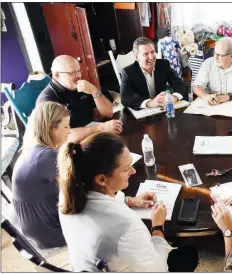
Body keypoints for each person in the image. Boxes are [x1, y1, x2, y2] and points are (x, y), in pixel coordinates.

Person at [57, 133, 198, 272]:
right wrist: (157, 227)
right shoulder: (127, 226)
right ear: (101, 179)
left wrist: (130, 201)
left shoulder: (69, 194)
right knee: (189, 255)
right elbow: (158, 269)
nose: (133, 171)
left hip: (84, 266)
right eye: (126, 169)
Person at [12, 102, 70, 249]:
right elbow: (75, 188)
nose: (69, 132)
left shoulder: (32, 150)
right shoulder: (46, 156)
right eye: (66, 127)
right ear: (52, 128)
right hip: (51, 231)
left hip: (35, 228)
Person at [36, 55, 122, 142]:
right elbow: (61, 136)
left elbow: (108, 113)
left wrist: (94, 91)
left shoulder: (80, 86)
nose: (79, 75)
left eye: (79, 71)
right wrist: (101, 128)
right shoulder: (47, 100)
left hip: (90, 134)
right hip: (70, 146)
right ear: (57, 75)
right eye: (72, 73)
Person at [120, 37, 188, 110]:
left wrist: (173, 98)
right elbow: (125, 99)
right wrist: (150, 103)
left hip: (162, 111)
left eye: (152, 52)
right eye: (146, 54)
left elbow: (180, 85)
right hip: (143, 113)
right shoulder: (128, 72)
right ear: (137, 57)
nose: (151, 57)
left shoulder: (164, 64)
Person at [193, 37, 232, 105]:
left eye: (219, 55)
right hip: (213, 104)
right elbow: (196, 86)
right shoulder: (208, 63)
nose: (215, 58)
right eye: (215, 53)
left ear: (231, 56)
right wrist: (207, 96)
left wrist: (227, 97)